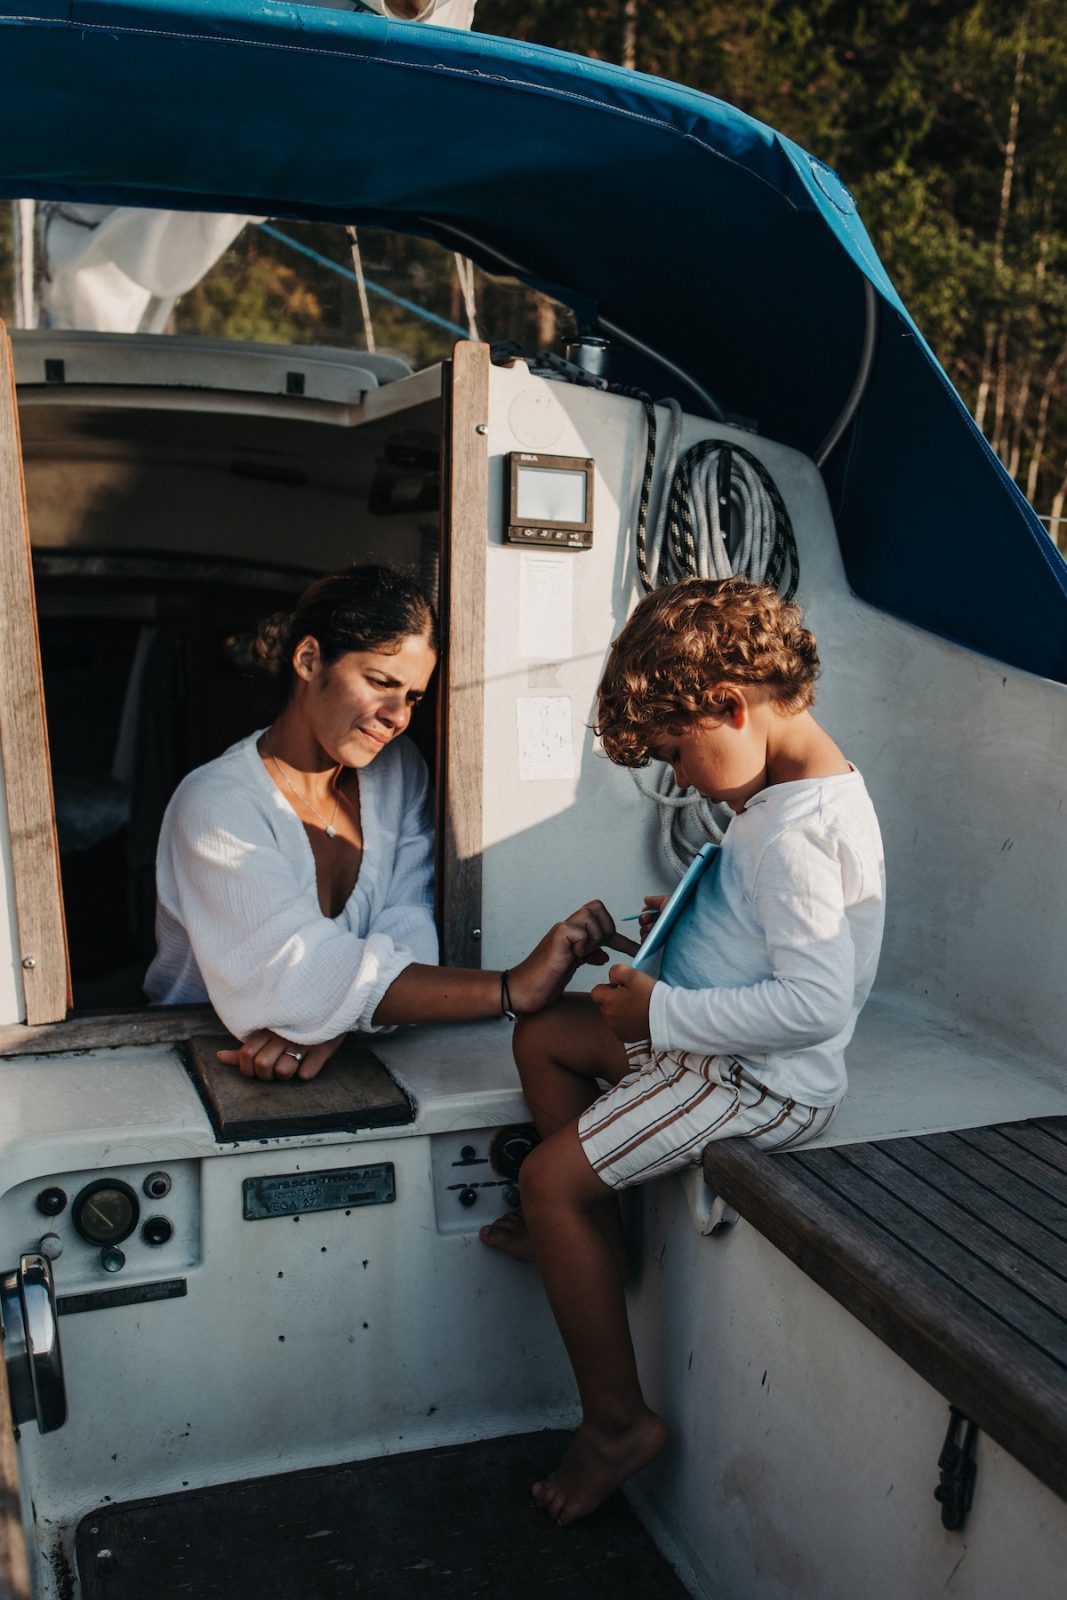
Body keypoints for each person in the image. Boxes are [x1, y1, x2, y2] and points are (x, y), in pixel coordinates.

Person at [480, 575, 886, 1525]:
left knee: (547, 1183)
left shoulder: (792, 832)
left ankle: (617, 1423)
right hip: (717, 1044)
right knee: (544, 1033)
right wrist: (685, 928)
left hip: (761, 1084)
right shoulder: (786, 797)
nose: (682, 778)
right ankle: (600, 1239)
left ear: (728, 706)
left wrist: (658, 1014)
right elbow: (775, 937)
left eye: (677, 755)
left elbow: (814, 1006)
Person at [145, 563, 618, 1074]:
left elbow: (410, 932)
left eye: (412, 697)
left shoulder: (397, 771)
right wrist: (512, 988)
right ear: (309, 660)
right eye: (379, 682)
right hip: (188, 1057)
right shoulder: (216, 804)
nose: (398, 717)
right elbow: (298, 975)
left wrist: (330, 1024)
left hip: (323, 1056)